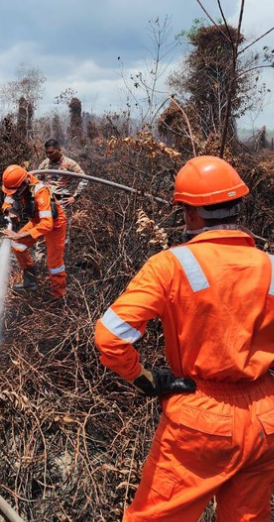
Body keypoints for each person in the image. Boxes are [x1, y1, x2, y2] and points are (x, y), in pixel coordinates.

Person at [95, 156, 274, 521]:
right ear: (238, 207)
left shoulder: (170, 264)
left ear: (190, 213)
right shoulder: (270, 265)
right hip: (266, 420)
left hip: (201, 417)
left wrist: (143, 378)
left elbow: (111, 337)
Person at [0, 164, 68, 298]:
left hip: (55, 224)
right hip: (38, 220)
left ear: (24, 184)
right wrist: (10, 211)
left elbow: (47, 224)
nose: (13, 195)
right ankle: (30, 282)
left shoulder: (40, 191)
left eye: (15, 192)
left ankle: (59, 296)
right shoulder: (15, 187)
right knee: (18, 246)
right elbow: (6, 202)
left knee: (54, 264)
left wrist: (19, 235)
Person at [35, 139, 87, 208]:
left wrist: (75, 197)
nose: (48, 155)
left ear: (58, 150)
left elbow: (84, 179)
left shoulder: (69, 163)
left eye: (51, 152)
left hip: (63, 202)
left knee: (62, 219)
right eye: (47, 153)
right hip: (46, 200)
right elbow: (36, 179)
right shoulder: (45, 163)